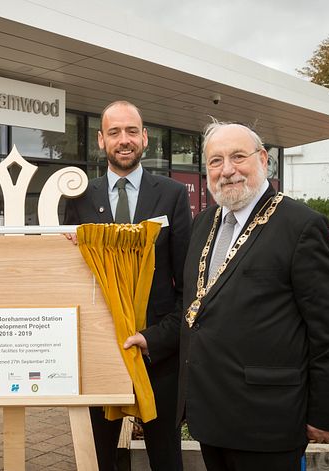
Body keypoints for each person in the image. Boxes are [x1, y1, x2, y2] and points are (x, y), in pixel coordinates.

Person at [177, 122, 329, 471]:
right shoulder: (204, 222)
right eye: (215, 161)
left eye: (238, 157)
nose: (227, 170)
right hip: (211, 418)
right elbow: (197, 309)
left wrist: (322, 412)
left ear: (263, 160)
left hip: (268, 421)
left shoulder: (301, 226)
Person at [65, 100, 191, 471]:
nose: (124, 140)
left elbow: (186, 283)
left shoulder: (171, 195)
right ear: (101, 141)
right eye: (115, 132)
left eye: (132, 131)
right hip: (101, 351)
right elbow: (74, 277)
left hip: (156, 351)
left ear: (145, 138)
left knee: (166, 456)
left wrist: (158, 337)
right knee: (100, 456)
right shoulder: (79, 197)